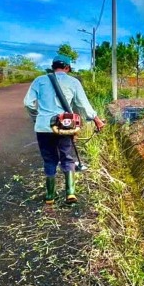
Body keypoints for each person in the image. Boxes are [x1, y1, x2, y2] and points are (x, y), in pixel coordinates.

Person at [24, 54, 105, 204]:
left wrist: (38, 118)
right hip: (64, 126)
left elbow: (28, 103)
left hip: (43, 127)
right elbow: (83, 104)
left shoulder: (39, 81)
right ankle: (70, 193)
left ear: (53, 66)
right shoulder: (73, 82)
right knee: (66, 156)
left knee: (49, 159)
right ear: (67, 67)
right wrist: (96, 120)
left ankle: (50, 196)